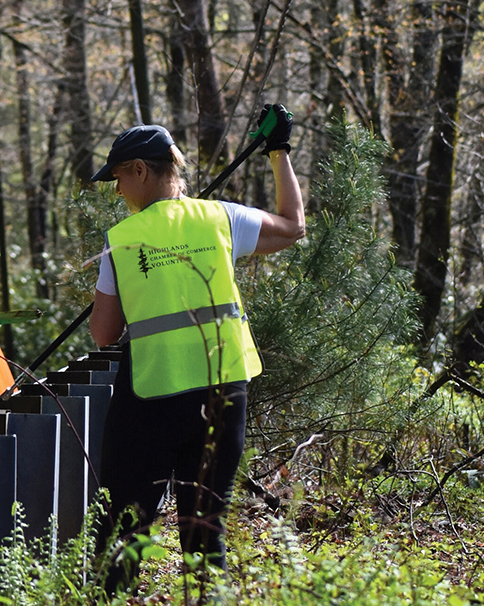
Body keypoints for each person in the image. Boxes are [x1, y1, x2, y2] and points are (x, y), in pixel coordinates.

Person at [89, 105, 304, 578]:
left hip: (151, 396)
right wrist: (278, 151)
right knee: (205, 531)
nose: (118, 191)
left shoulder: (121, 239)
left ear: (140, 170)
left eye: (118, 179)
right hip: (223, 394)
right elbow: (294, 226)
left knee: (124, 527)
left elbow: (104, 333)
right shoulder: (221, 218)